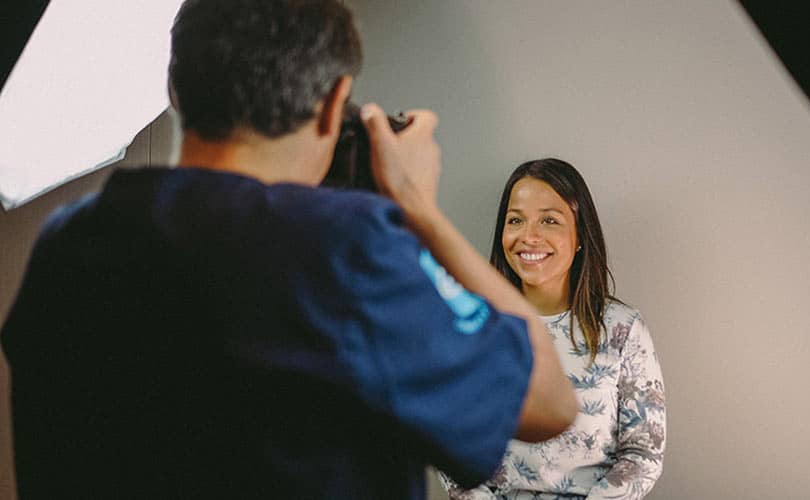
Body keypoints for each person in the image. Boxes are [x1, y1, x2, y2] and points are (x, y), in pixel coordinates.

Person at [0, 1, 576, 498]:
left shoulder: (67, 244)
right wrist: (418, 209)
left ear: (175, 88)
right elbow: (549, 403)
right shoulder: (344, 251)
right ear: (333, 102)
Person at [441, 158, 666, 499]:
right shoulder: (471, 323)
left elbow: (642, 454)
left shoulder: (622, 329)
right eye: (516, 220)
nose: (528, 237)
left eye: (549, 220)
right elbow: (448, 442)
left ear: (579, 235)